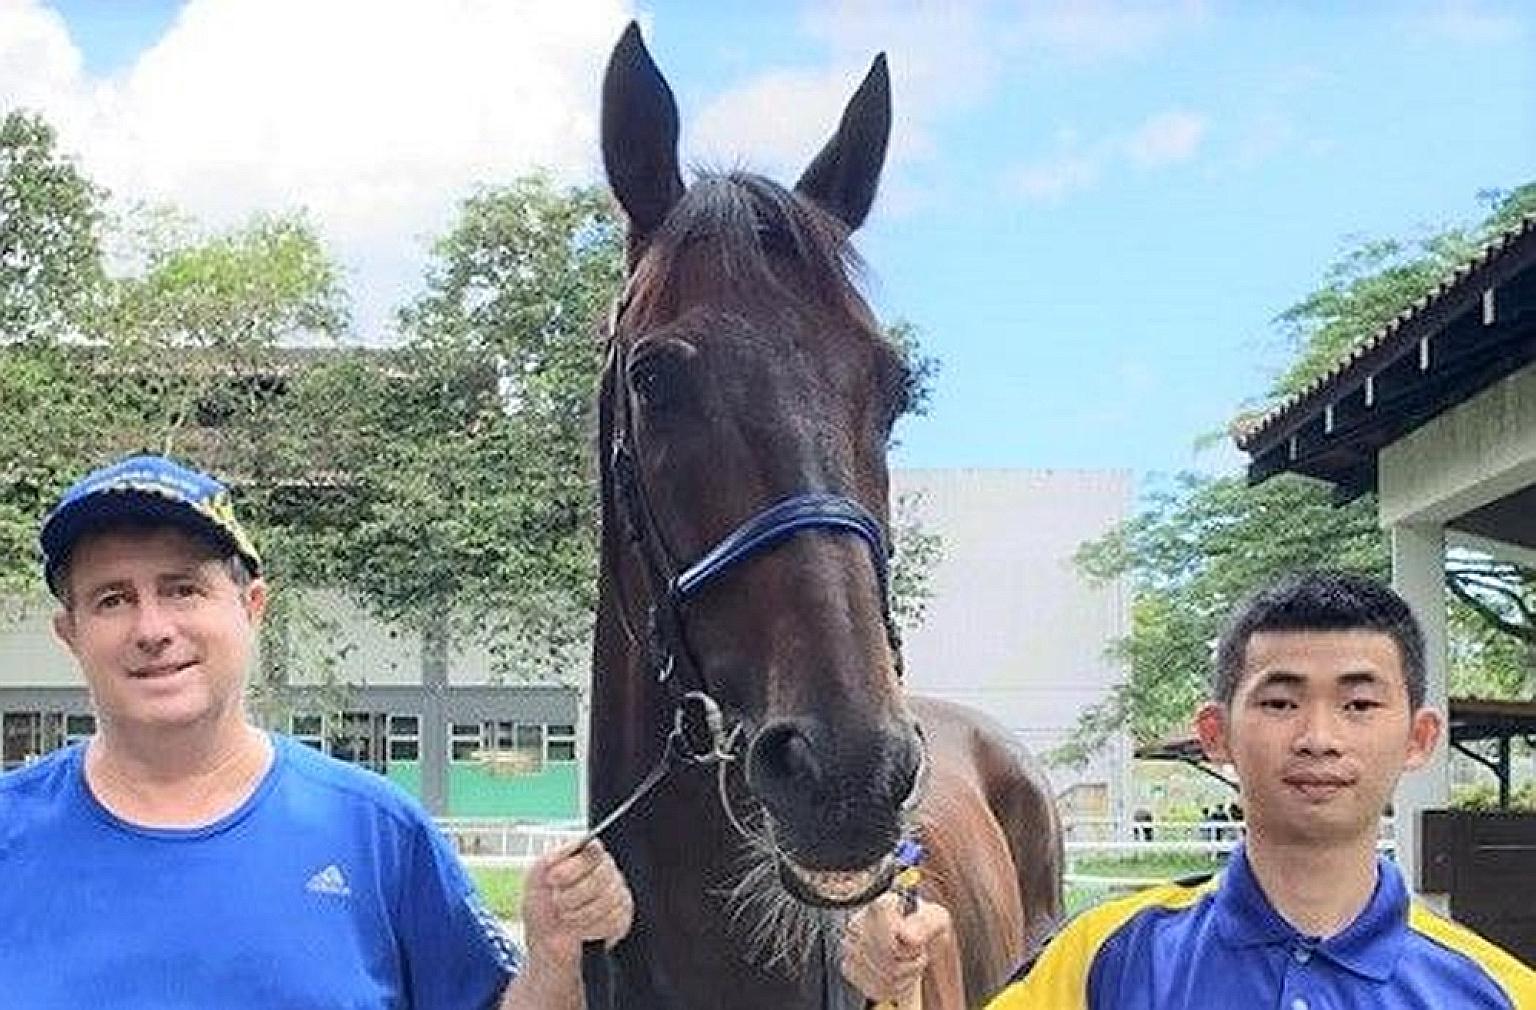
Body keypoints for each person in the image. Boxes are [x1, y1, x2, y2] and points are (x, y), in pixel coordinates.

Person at [0, 453, 633, 1008]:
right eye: (113, 599)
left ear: (252, 608)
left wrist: (552, 958)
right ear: (71, 634)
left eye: (183, 589)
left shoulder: (378, 834)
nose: (152, 628)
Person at [842, 570, 1536, 1009]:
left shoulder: (1498, 992)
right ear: (1216, 733)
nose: (1318, 737)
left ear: (1417, 738)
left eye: (1358, 705)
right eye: (1279, 702)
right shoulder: (1106, 960)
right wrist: (899, 990)